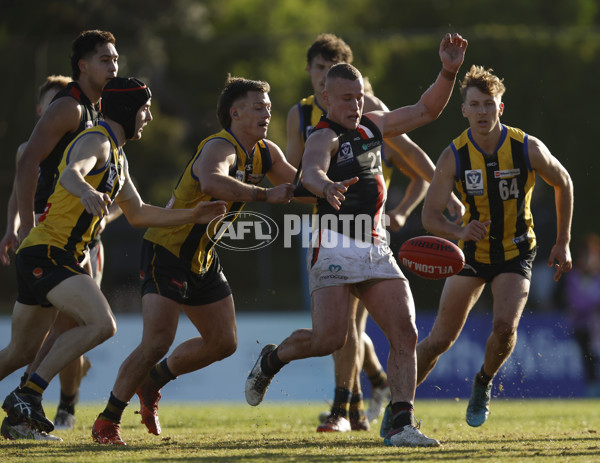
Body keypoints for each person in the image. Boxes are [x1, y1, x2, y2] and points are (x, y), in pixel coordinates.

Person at [246, 33, 468, 448]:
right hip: (333, 244)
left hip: (374, 244)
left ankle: (400, 423)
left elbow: (426, 110)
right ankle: (272, 359)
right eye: (346, 98)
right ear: (327, 100)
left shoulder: (374, 125)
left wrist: (448, 71)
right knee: (330, 339)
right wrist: (324, 185)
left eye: (359, 96)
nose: (356, 105)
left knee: (405, 332)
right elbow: (309, 172)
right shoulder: (322, 136)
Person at [0, 76, 227, 439]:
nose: (149, 118)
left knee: (19, 351)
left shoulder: (117, 156)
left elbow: (138, 213)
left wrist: (193, 215)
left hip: (45, 254)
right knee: (103, 324)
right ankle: (28, 393)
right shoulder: (97, 141)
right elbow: (73, 171)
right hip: (51, 252)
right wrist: (85, 191)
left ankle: (25, 399)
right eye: (145, 110)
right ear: (127, 110)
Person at [92, 75, 298, 446]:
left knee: (223, 342)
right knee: (157, 340)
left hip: (202, 257)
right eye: (257, 106)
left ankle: (152, 382)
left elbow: (299, 185)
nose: (266, 112)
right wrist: (265, 196)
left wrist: (334, 189)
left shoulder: (265, 152)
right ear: (234, 113)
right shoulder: (220, 146)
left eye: (268, 107)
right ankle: (107, 421)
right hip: (166, 249)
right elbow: (212, 183)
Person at [411, 65, 574, 429]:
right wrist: (460, 230)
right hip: (472, 255)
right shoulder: (453, 155)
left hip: (517, 251)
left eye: (489, 104)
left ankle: (483, 383)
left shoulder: (526, 147)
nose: (482, 112)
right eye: (475, 104)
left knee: (504, 326)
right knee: (439, 340)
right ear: (464, 110)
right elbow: (429, 217)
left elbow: (563, 181)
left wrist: (562, 242)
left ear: (501, 108)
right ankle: (399, 407)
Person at [1, 31, 119, 440]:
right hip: (51, 243)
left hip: (70, 243)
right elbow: (27, 160)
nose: (114, 66)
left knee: (22, 351)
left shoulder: (98, 114)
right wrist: (25, 228)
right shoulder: (69, 108)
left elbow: (125, 197)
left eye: (115, 59)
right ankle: (37, 403)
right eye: (105, 59)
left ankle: (25, 414)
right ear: (83, 66)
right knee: (92, 325)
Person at [564, 233, 600, 397]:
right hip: (582, 326)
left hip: (596, 325)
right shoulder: (574, 277)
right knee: (589, 359)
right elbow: (576, 302)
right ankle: (592, 389)